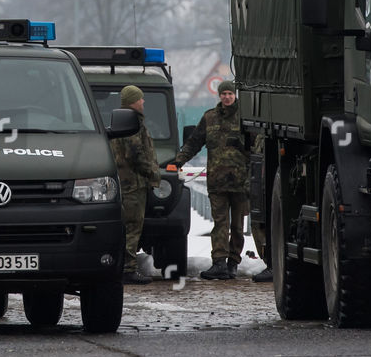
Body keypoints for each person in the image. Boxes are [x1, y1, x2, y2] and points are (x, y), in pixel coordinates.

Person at [169, 80, 268, 281]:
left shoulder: (245, 118)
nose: (227, 97)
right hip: (217, 182)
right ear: (219, 96)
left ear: (235, 95)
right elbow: (194, 143)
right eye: (223, 94)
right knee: (220, 223)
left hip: (241, 183)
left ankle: (233, 262)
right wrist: (178, 161)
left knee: (238, 227)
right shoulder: (209, 118)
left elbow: (258, 146)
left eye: (230, 94)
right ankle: (219, 263)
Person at [111, 84, 160, 285]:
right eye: (140, 98)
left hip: (126, 182)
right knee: (132, 227)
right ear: (133, 101)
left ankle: (123, 266)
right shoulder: (132, 123)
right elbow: (136, 154)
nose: (143, 102)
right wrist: (152, 172)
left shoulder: (123, 120)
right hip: (133, 184)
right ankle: (127, 269)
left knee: (128, 227)